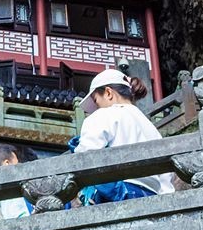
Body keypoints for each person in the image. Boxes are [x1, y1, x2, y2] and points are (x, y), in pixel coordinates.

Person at [74, 69, 173, 204]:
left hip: (119, 193)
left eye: (97, 102)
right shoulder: (151, 128)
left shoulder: (103, 115)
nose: (97, 108)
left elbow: (86, 156)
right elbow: (166, 179)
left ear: (108, 93)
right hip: (153, 197)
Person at [0, 141, 37, 220]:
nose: (20, 168)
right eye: (17, 164)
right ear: (7, 164)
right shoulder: (11, 194)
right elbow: (22, 220)